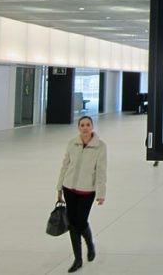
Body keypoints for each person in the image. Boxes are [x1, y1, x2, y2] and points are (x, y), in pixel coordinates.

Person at [56, 115, 107, 273]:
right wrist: (59, 188)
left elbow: (101, 171)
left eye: (88, 125)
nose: (85, 128)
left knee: (81, 221)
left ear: (92, 126)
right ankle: (77, 259)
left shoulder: (100, 146)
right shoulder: (72, 143)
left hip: (87, 191)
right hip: (69, 188)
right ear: (78, 127)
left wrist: (101, 193)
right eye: (82, 125)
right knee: (72, 224)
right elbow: (65, 165)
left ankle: (90, 245)